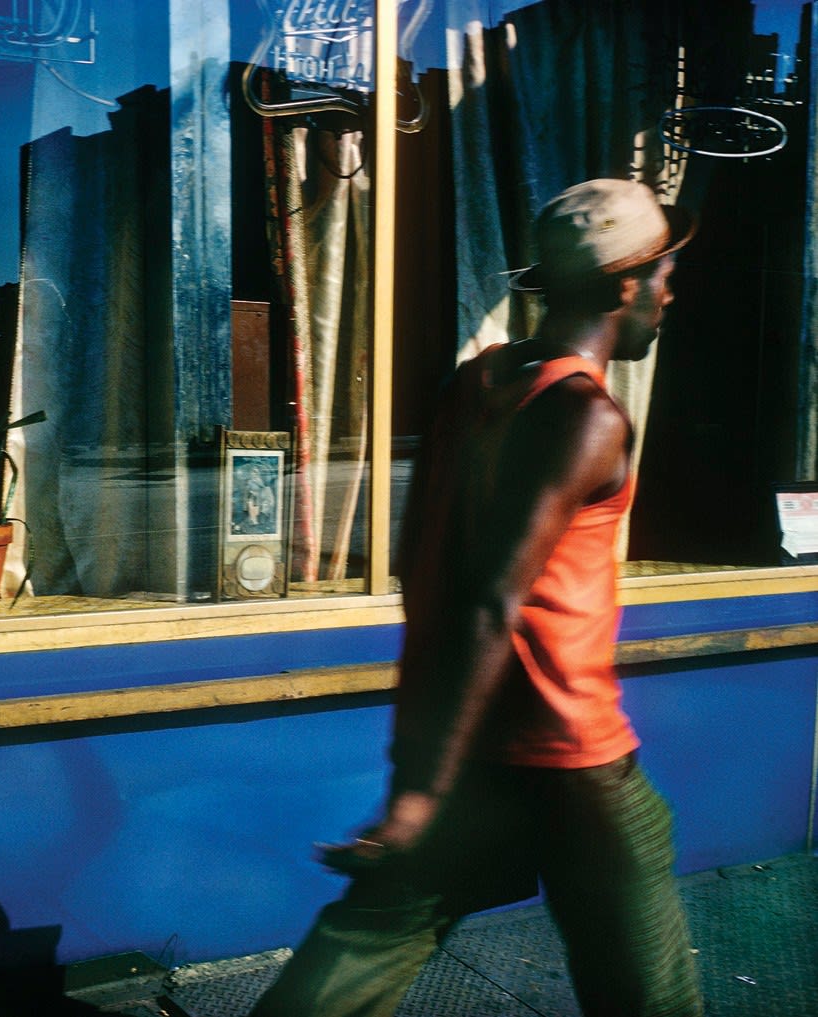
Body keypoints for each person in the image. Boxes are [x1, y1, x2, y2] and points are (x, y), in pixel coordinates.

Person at [250, 178, 704, 1017]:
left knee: (362, 950)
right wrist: (419, 792)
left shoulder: (478, 385)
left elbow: (429, 577)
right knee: (651, 996)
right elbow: (490, 600)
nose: (671, 292)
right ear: (622, 285)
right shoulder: (584, 415)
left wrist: (420, 775)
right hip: (574, 760)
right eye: (663, 273)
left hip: (473, 753)